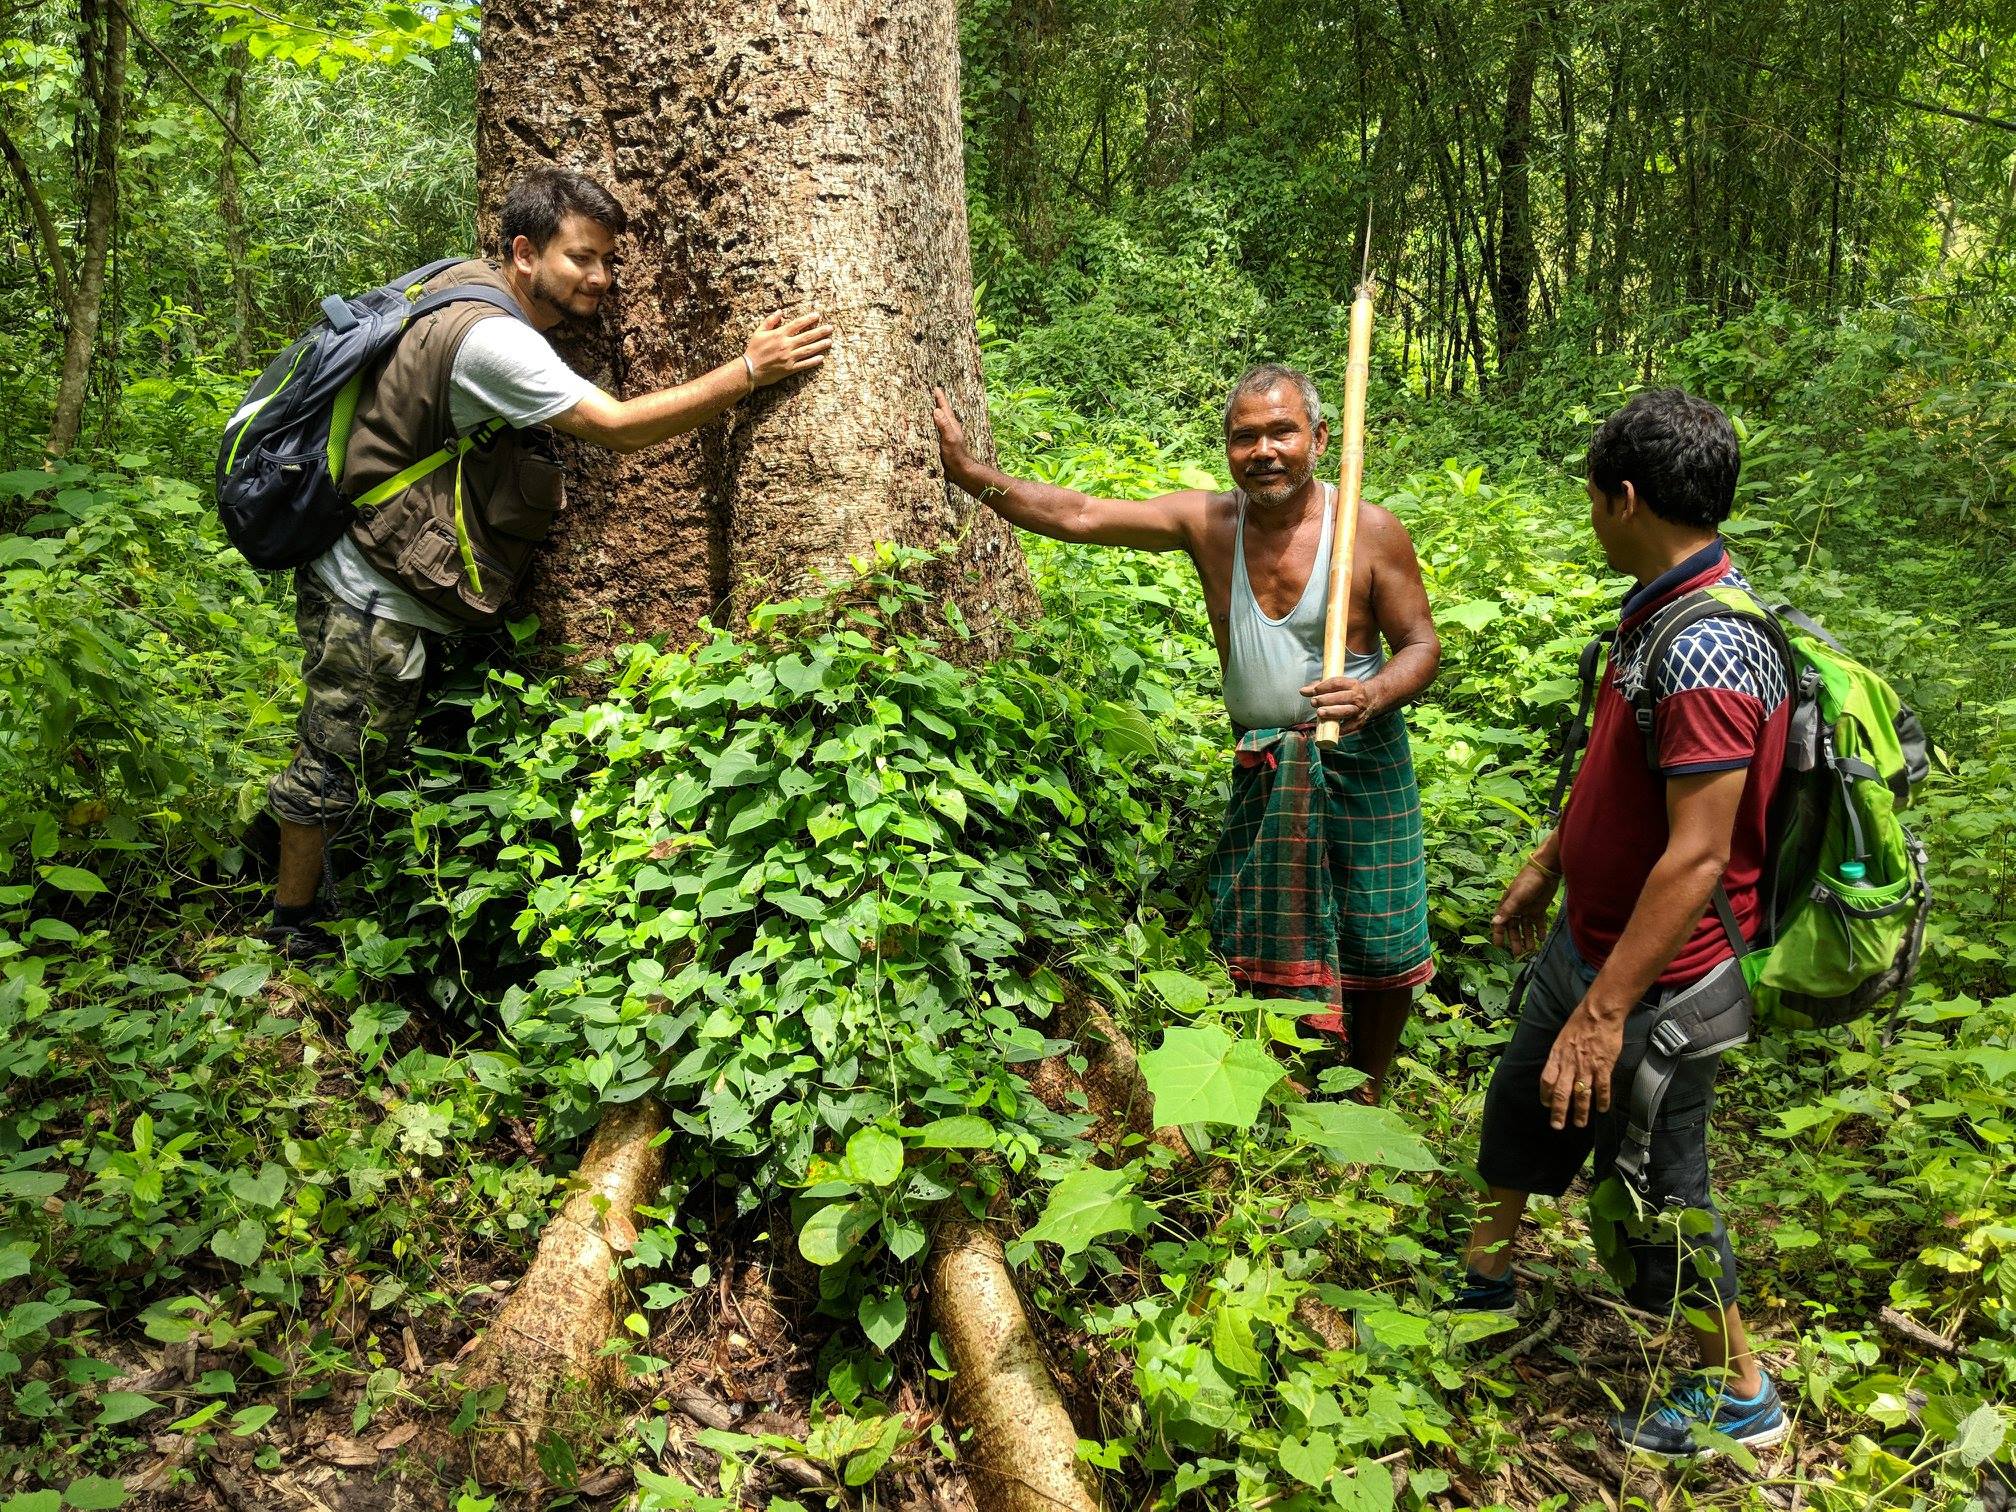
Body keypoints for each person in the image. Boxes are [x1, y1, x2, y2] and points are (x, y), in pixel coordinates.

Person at [260, 168, 833, 956]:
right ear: (524, 255)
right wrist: (749, 371)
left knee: (368, 745)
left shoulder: (462, 282)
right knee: (340, 750)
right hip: (373, 587)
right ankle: (293, 926)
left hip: (377, 564)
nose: (600, 278)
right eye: (580, 258)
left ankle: (301, 862)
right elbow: (622, 425)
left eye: (607, 261)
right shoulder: (497, 342)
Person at [931, 364, 1440, 1099]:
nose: (1263, 450)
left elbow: (1422, 646)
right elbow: (1077, 514)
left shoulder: (1367, 527)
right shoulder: (1208, 523)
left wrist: (1373, 692)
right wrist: (970, 472)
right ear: (1228, 449)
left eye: (1282, 432)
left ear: (1320, 439)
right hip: (1268, 762)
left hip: (1361, 753)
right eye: (1245, 437)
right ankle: (1291, 1085)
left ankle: (1367, 1086)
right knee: (1272, 929)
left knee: (1379, 931)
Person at [1453, 388, 1791, 1458]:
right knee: (1524, 1093)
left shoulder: (1709, 650)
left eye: (1592, 498)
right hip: (1590, 941)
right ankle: (1487, 1274)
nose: (1589, 515)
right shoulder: (1655, 607)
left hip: (1663, 978)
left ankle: (1739, 1391)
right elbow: (1617, 777)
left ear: (1626, 497)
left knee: (1656, 1187)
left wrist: (1606, 1012)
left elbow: (1697, 853)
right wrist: (1548, 864)